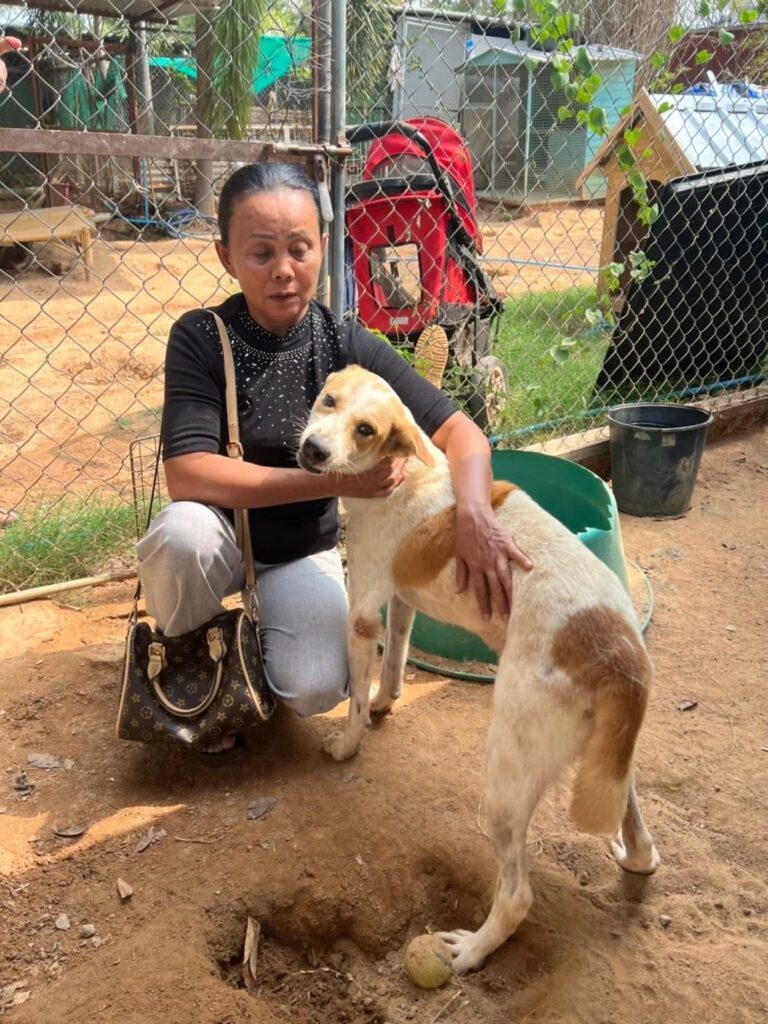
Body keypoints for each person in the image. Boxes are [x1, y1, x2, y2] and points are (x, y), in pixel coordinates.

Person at [137, 163, 532, 764]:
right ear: (226, 257)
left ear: (324, 246)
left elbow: (462, 433)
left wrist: (475, 513)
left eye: (299, 248)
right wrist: (331, 477)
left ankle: (266, 643)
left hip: (298, 549)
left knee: (317, 685)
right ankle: (198, 666)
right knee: (179, 535)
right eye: (261, 252)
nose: (283, 270)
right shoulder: (200, 336)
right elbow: (188, 473)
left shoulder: (344, 343)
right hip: (218, 540)